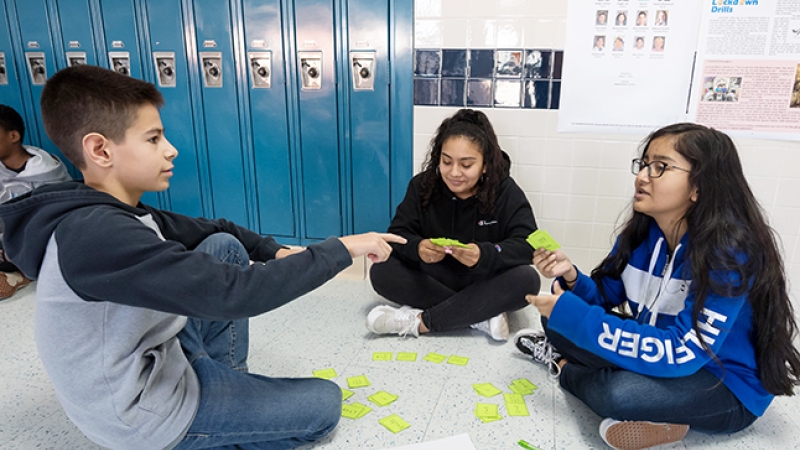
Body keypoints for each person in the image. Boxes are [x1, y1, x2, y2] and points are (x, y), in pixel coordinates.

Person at [0, 65, 405, 449]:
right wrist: (341, 250)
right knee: (324, 404)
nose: (171, 150)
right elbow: (235, 293)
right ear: (100, 150)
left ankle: (227, 386)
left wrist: (273, 250)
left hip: (155, 359)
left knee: (223, 247)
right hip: (142, 417)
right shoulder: (96, 235)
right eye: (154, 138)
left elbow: (217, 230)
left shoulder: (112, 209)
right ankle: (211, 426)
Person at [514, 123, 800, 450]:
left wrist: (581, 324)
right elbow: (605, 298)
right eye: (644, 164)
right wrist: (571, 278)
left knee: (618, 394)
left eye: (660, 167)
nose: (642, 176)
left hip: (723, 382)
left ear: (699, 187)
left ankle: (564, 368)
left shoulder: (728, 254)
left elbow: (684, 352)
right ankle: (653, 410)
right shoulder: (642, 235)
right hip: (662, 351)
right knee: (555, 319)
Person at [366, 109, 540, 342]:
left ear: (485, 164)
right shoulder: (423, 185)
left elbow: (528, 245)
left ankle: (422, 322)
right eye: (446, 162)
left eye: (466, 165)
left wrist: (485, 254)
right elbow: (397, 234)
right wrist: (418, 247)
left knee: (527, 280)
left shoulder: (505, 191)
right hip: (436, 277)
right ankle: (480, 315)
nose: (454, 173)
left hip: (482, 278)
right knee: (381, 270)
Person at [0, 104, 71, 299]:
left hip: (41, 238)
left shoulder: (46, 172)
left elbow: (55, 220)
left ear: (13, 137)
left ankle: (19, 274)